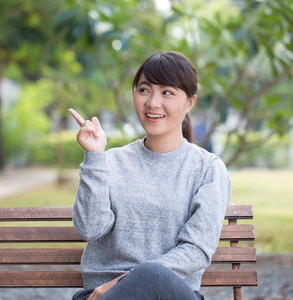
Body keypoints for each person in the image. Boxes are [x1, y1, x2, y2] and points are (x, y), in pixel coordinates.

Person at [68, 51, 231, 300]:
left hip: (172, 295)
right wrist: (94, 158)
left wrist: (127, 281)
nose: (153, 102)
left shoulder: (208, 168)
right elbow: (89, 229)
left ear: (190, 102)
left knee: (152, 275)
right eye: (144, 90)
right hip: (101, 296)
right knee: (148, 275)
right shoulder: (109, 161)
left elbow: (197, 250)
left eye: (167, 92)